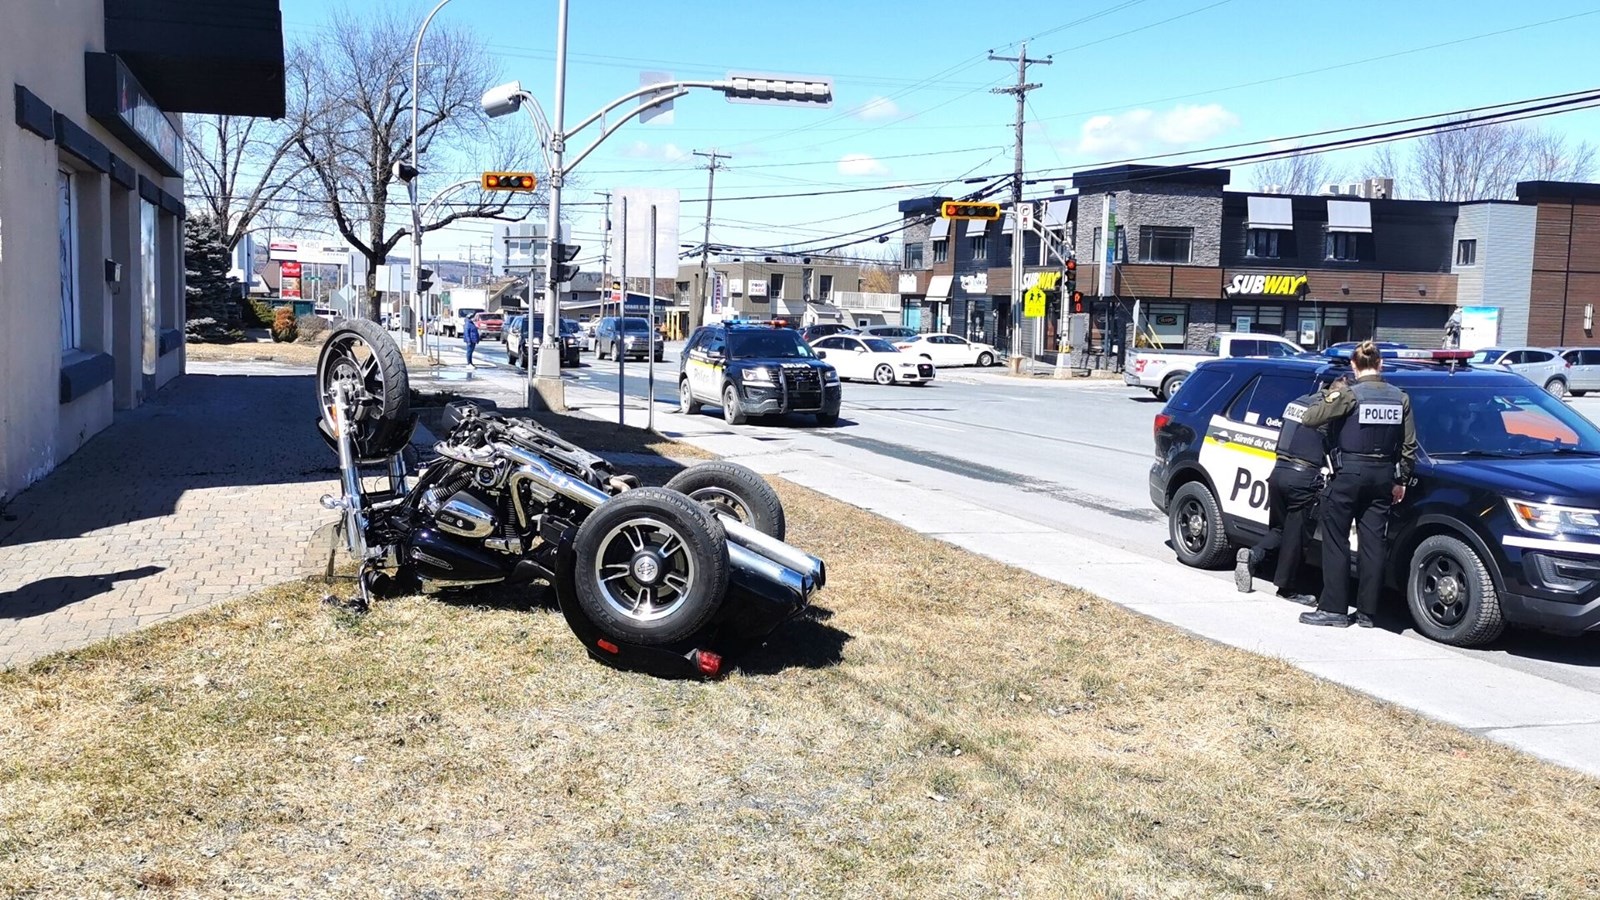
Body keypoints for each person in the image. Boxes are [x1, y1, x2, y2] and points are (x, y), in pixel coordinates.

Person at [1296, 340, 1417, 628]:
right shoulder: (1400, 397)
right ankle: (1367, 613)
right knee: (1373, 545)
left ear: (1353, 365)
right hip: (1384, 476)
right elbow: (1409, 445)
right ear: (1380, 364)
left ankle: (1334, 610)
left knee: (1337, 540)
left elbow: (1310, 418)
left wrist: (1331, 394)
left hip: (1349, 474)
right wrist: (1400, 480)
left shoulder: (1350, 395)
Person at [1236, 377, 1347, 606]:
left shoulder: (1299, 401)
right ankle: (1287, 589)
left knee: (1280, 528)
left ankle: (1252, 555)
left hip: (1278, 472)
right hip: (1304, 478)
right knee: (1296, 538)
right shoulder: (1329, 409)